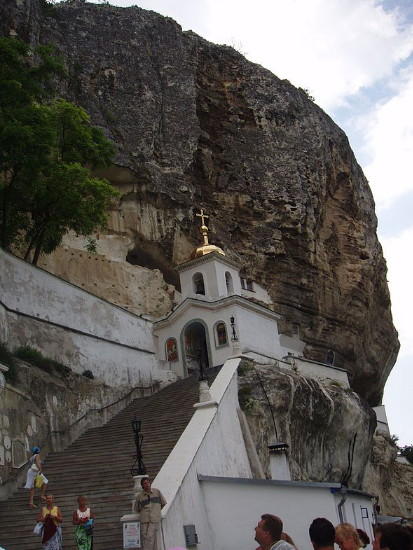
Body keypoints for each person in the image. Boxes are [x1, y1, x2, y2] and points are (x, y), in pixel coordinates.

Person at [134, 477, 166, 550]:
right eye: (144, 483)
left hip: (154, 518)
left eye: (148, 482)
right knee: (144, 537)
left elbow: (163, 503)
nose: (147, 484)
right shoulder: (140, 496)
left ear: (150, 483)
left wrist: (156, 511)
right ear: (142, 485)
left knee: (150, 536)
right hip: (144, 519)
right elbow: (136, 508)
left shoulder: (157, 492)